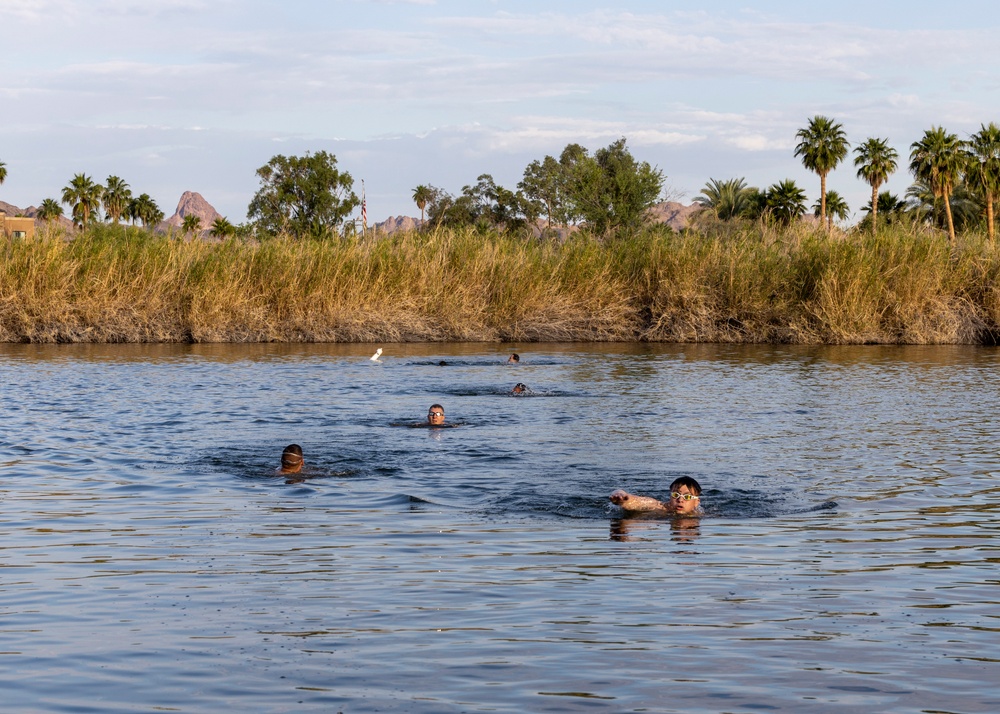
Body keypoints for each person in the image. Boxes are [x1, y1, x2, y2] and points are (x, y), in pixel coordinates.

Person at [609, 475, 702, 516]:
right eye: (675, 494)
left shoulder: (702, 516)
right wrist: (622, 497)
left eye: (687, 497)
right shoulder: (659, 507)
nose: (680, 499)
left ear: (696, 502)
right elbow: (636, 501)